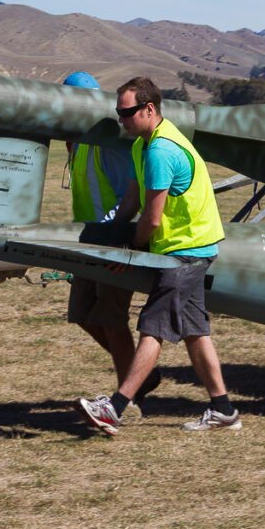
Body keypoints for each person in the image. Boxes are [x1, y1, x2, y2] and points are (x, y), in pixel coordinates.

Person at [75, 76, 238, 435]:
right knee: (195, 332)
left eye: (127, 113)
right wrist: (113, 233)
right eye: (118, 113)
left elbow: (151, 217)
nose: (121, 120)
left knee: (152, 328)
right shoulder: (142, 144)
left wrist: (131, 251)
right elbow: (132, 197)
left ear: (149, 109)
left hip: (186, 250)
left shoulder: (162, 151)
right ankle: (223, 409)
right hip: (185, 248)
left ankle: (114, 409)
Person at [62, 72, 159, 420]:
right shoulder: (79, 142)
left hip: (111, 244)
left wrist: (120, 242)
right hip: (90, 243)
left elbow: (128, 197)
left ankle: (127, 400)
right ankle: (140, 374)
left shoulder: (108, 142)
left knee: (111, 319)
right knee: (82, 315)